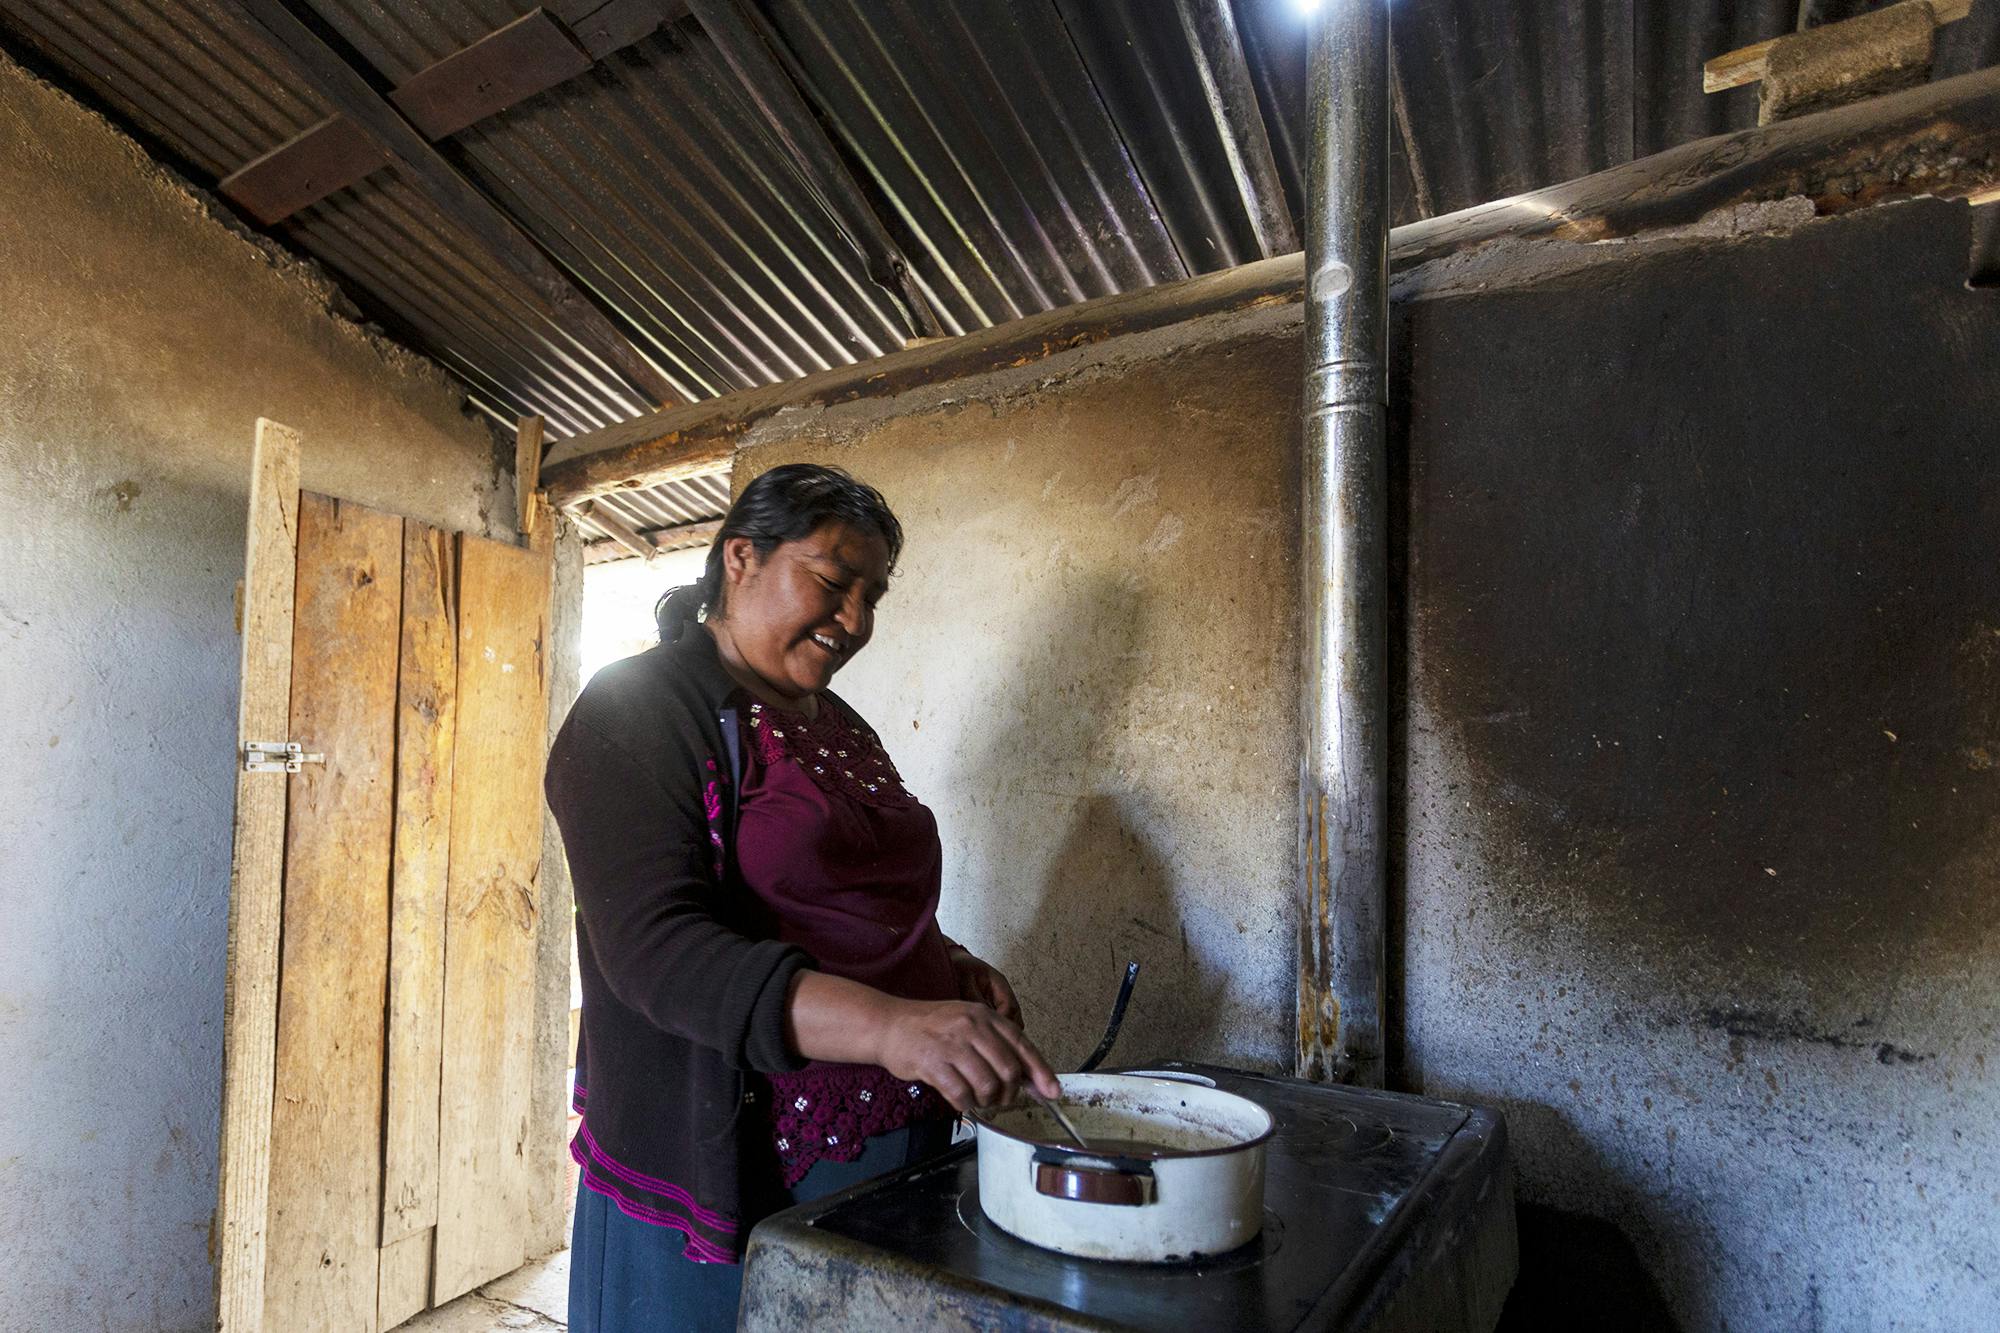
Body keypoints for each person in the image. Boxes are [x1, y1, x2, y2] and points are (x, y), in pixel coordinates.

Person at [546, 463, 1060, 1331]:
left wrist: (950, 970)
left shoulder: (837, 722)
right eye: (831, 581)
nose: (855, 619)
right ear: (739, 558)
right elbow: (659, 955)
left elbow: (848, 897)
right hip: (737, 1173)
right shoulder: (636, 711)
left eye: (873, 594)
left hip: (888, 1148)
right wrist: (895, 1024)